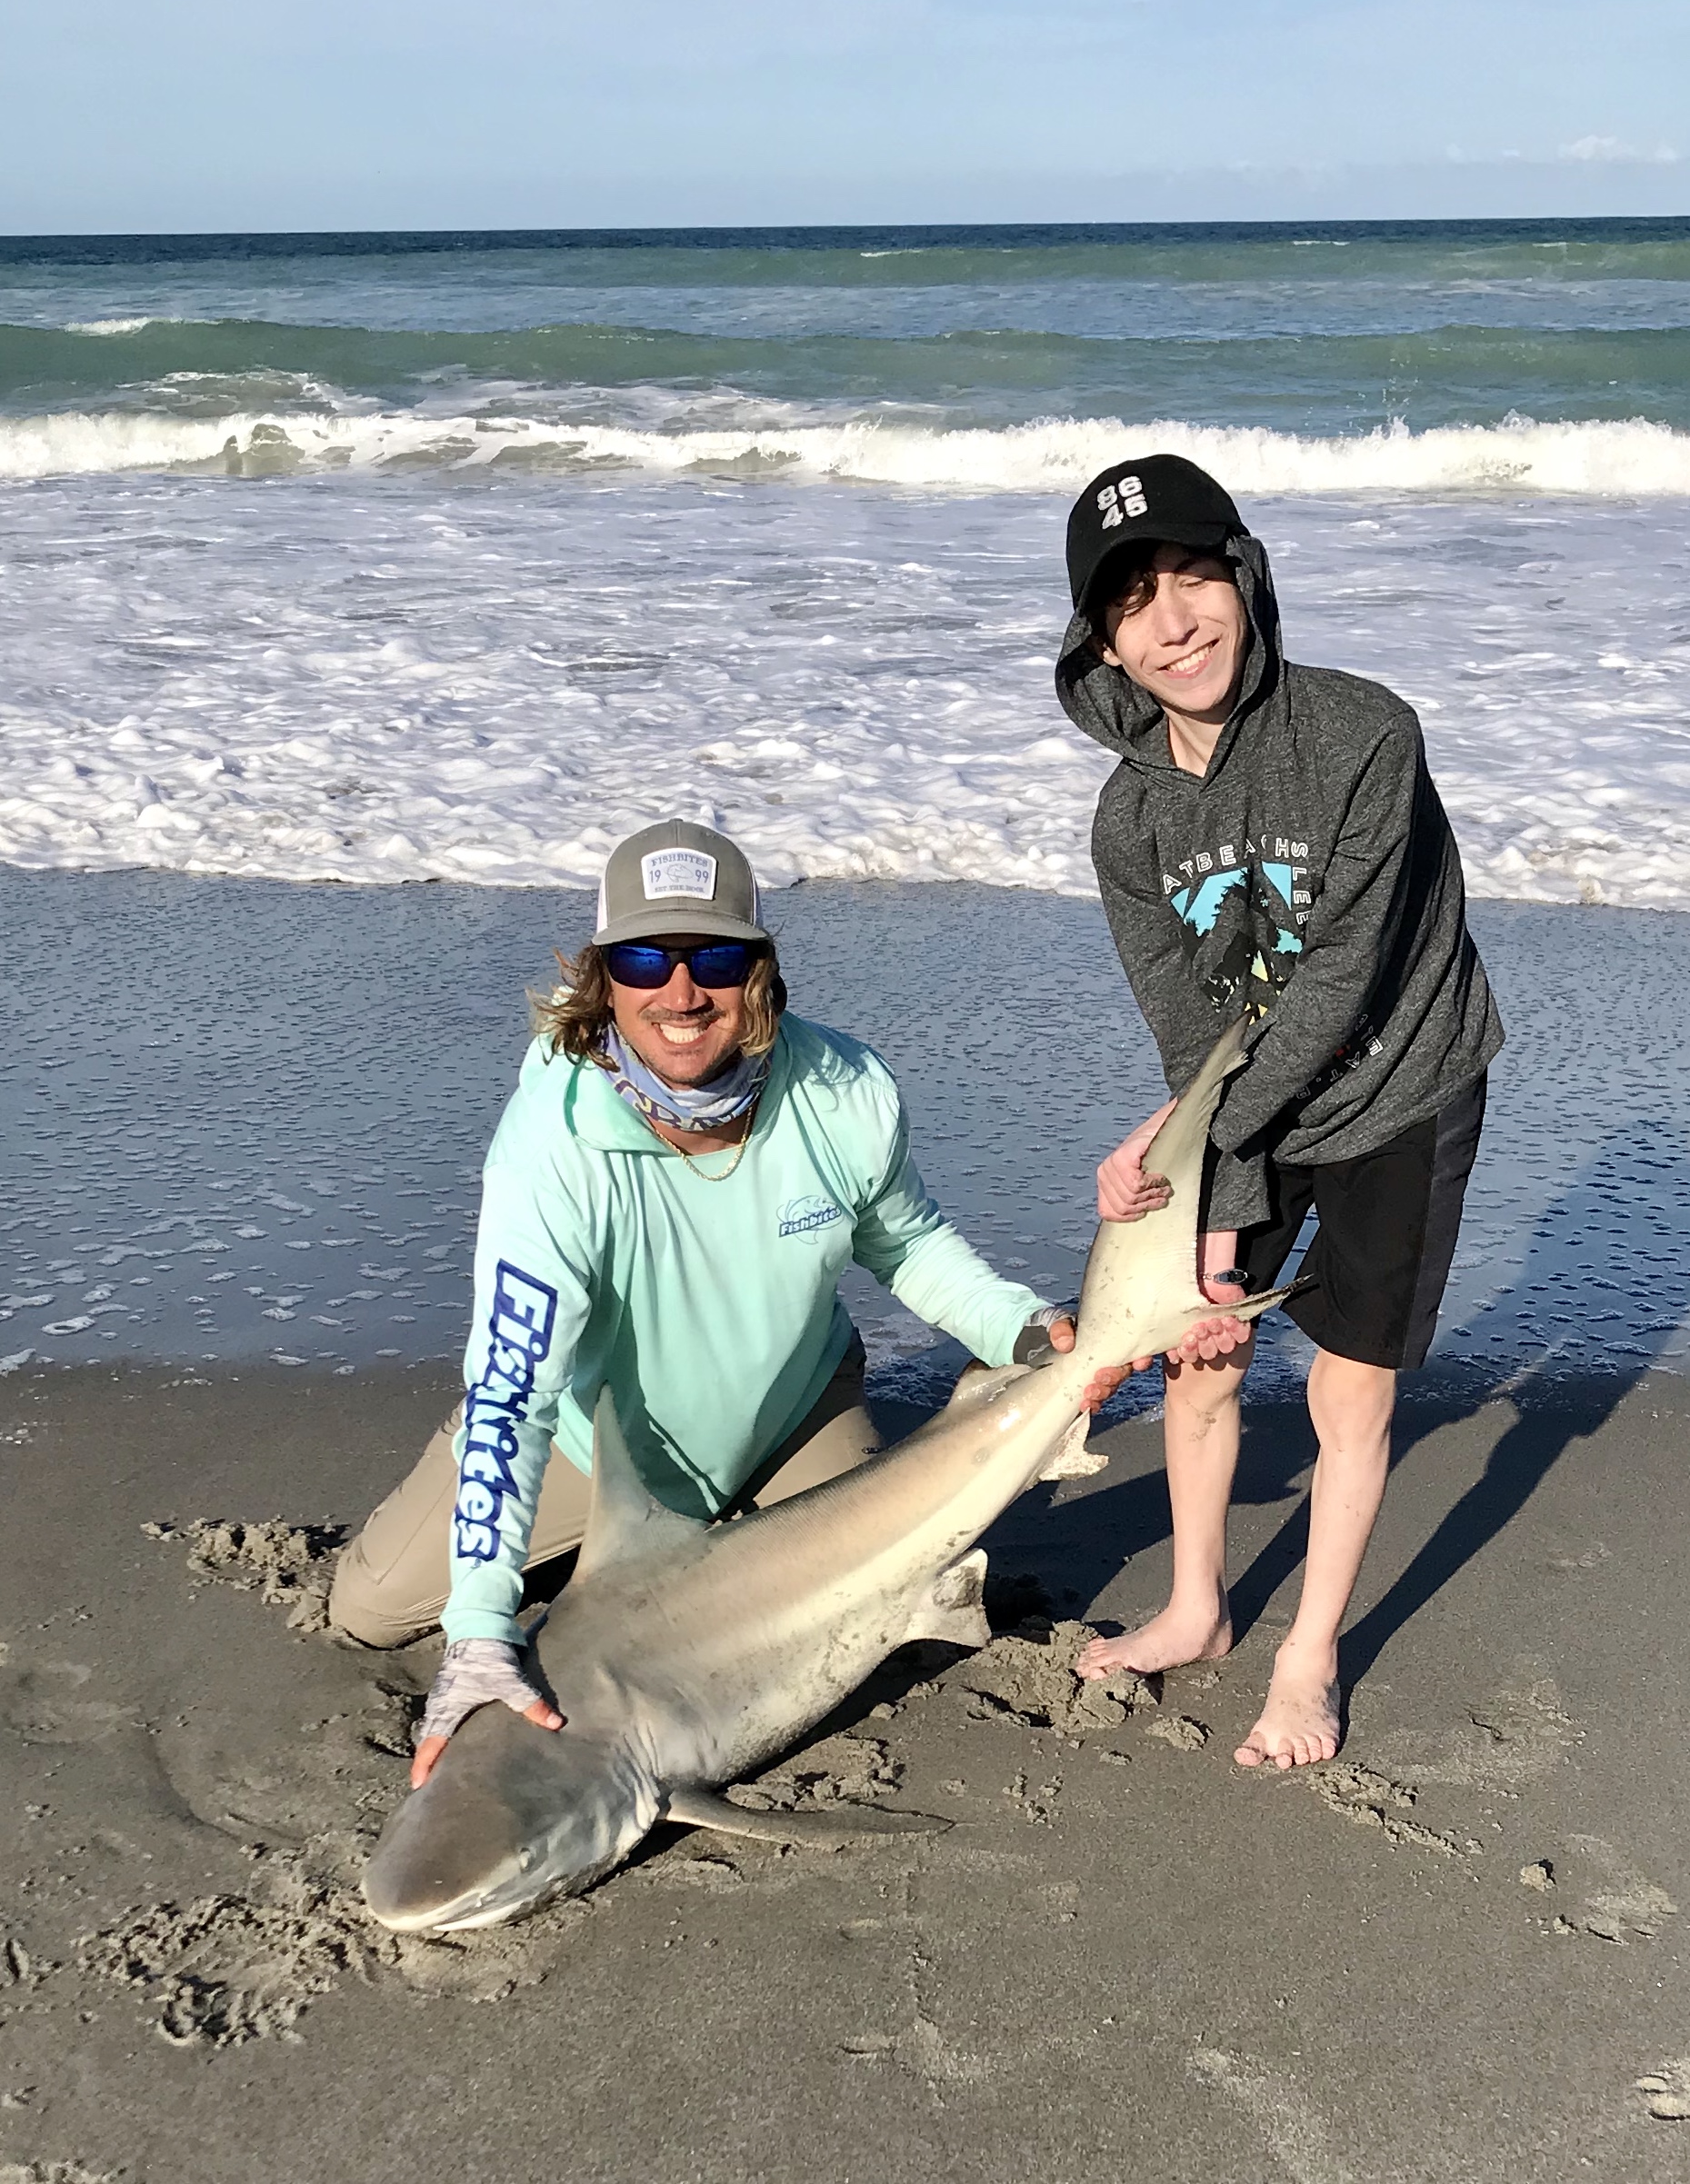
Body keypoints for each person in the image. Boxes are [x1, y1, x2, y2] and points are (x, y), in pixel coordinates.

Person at [329, 817, 1129, 1786]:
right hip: (602, 1446)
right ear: (603, 977)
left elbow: (906, 1243)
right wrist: (479, 1629)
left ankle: (705, 1537)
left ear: (758, 969)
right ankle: (598, 1553)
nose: (680, 992)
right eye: (644, 959)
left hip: (792, 1414)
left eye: (712, 956)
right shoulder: (552, 1143)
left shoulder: (842, 1087)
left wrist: (1019, 1326)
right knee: (368, 1612)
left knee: (888, 1599)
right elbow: (514, 1388)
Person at [1054, 454, 1504, 1771]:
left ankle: (1307, 1655)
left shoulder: (1364, 734)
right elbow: (1189, 1033)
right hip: (1247, 1096)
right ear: (1102, 643)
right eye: (1132, 600)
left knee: (1344, 1388)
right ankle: (1195, 1606)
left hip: (1400, 1081)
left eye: (1193, 575)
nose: (1173, 620)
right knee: (1199, 1348)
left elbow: (1337, 984)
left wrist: (1195, 1143)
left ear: (1243, 577)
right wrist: (1209, 1202)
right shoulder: (1128, 822)